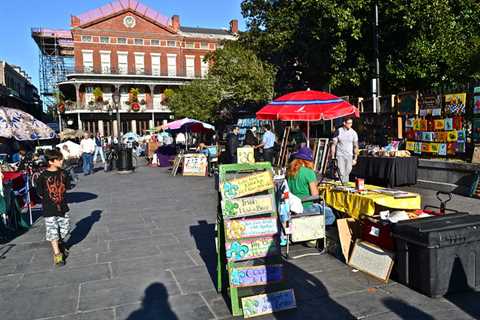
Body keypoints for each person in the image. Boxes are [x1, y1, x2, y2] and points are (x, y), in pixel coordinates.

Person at [36, 149, 70, 266]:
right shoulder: (42, 176)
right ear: (51, 161)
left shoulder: (64, 173)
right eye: (59, 159)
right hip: (49, 208)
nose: (62, 161)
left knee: (65, 230)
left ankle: (60, 243)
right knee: (52, 231)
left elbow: (67, 186)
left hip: (63, 207)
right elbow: (39, 192)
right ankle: (57, 255)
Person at [287, 147, 335, 225]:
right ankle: (316, 228)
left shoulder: (289, 171)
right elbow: (315, 195)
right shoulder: (309, 172)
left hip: (293, 207)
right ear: (307, 160)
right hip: (306, 206)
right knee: (330, 214)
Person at [331, 117, 359, 184]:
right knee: (341, 171)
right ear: (344, 123)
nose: (350, 125)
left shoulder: (353, 133)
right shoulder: (338, 131)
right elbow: (333, 144)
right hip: (340, 155)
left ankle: (344, 184)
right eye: (349, 123)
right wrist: (332, 156)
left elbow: (356, 146)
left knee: (348, 171)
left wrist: (355, 158)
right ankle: (342, 185)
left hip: (349, 155)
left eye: (351, 123)